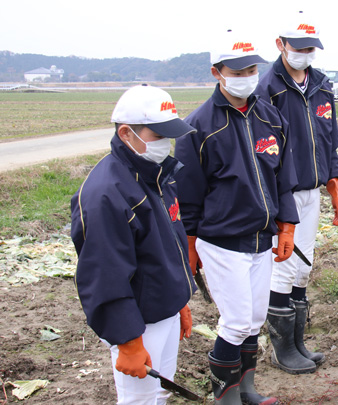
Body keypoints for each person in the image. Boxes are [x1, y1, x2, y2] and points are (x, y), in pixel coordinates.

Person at [174, 31, 299, 404]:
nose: (247, 75)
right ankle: (225, 396)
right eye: (238, 69)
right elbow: (189, 196)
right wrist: (191, 246)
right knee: (237, 320)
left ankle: (247, 390)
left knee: (255, 317)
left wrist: (287, 225)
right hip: (221, 240)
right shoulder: (199, 128)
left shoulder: (269, 116)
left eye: (252, 68)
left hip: (262, 239)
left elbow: (283, 175)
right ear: (217, 72)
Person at [70, 85, 197, 405]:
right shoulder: (106, 195)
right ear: (127, 133)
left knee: (161, 394)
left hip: (164, 310)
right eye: (159, 135)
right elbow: (103, 276)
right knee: (139, 401)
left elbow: (169, 243)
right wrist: (127, 340)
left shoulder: (157, 175)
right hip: (139, 321)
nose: (167, 144)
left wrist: (180, 299)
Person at [255, 11, 338, 376]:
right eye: (299, 47)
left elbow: (330, 144)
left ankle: (297, 342)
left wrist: (335, 188)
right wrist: (281, 207)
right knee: (283, 267)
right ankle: (282, 350)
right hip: (285, 193)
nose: (306, 54)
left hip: (313, 192)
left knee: (303, 268)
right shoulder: (268, 90)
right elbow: (266, 154)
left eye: (311, 48)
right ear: (281, 45)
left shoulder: (322, 85)